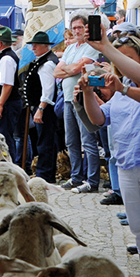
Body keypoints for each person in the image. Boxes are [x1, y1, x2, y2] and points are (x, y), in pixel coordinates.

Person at [78, 36, 140, 255]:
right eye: (120, 58)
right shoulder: (120, 87)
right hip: (125, 164)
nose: (123, 63)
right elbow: (99, 118)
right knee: (138, 227)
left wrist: (123, 90)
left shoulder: (136, 87)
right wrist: (87, 93)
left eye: (128, 58)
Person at [54, 11, 103, 193]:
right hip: (68, 98)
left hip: (83, 98)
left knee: (87, 140)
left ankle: (92, 180)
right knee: (71, 141)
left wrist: (70, 69)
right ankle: (76, 177)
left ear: (86, 28)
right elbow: (56, 72)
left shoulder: (91, 46)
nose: (76, 31)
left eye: (79, 27)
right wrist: (72, 69)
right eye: (73, 28)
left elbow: (75, 68)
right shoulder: (70, 48)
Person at [21, 31, 59, 183]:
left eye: (36, 45)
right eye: (32, 44)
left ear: (45, 46)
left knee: (45, 141)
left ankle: (45, 175)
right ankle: (45, 173)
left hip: (45, 108)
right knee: (44, 140)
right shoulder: (42, 60)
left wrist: (41, 109)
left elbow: (48, 89)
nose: (33, 47)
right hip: (40, 106)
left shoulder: (47, 63)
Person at [0, 26, 24, 166]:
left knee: (6, 137)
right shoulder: (4, 57)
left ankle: (11, 165)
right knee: (5, 135)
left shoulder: (6, 59)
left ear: (0, 43)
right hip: (8, 102)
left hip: (9, 103)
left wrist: (0, 104)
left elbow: (7, 85)